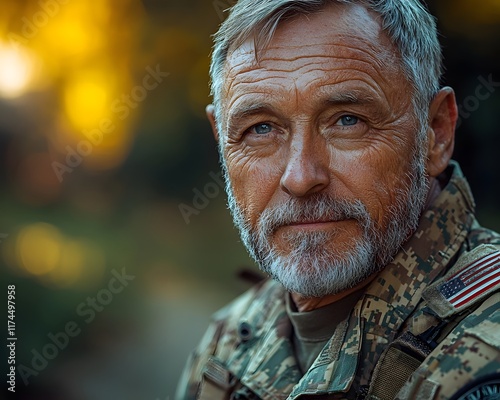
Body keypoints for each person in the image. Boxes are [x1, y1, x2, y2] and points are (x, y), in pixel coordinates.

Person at [176, 0, 500, 399]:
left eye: (347, 120)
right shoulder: (227, 342)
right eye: (261, 129)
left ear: (436, 133)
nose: (300, 177)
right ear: (221, 143)